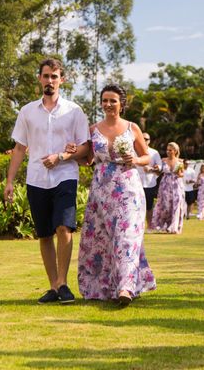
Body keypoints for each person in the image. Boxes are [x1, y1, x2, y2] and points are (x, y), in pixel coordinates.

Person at [4, 58, 89, 305]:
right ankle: (53, 286)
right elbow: (20, 148)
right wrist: (9, 182)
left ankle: (63, 282)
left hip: (65, 176)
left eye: (54, 76)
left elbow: (85, 147)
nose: (50, 81)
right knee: (44, 235)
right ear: (39, 79)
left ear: (62, 80)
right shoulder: (27, 111)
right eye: (46, 76)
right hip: (36, 179)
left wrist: (62, 156)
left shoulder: (74, 111)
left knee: (64, 228)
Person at [76, 84, 156, 306]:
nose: (108, 104)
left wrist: (135, 160)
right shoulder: (93, 130)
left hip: (128, 190)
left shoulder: (132, 128)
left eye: (113, 100)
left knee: (127, 237)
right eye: (105, 100)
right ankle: (103, 286)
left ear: (122, 103)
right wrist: (74, 153)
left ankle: (126, 288)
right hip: (101, 192)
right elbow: (88, 160)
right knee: (102, 240)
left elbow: (147, 157)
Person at [149, 142, 187, 233]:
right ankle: (165, 225)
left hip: (177, 185)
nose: (168, 152)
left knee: (176, 205)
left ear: (175, 151)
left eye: (170, 150)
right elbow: (159, 173)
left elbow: (182, 174)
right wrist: (154, 169)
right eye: (167, 150)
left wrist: (179, 174)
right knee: (166, 206)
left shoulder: (180, 161)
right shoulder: (163, 160)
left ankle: (174, 227)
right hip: (165, 185)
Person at [136, 132, 161, 226]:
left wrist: (151, 168)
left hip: (150, 183)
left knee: (149, 207)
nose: (144, 140)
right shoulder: (134, 151)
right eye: (142, 138)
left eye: (146, 139)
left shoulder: (154, 152)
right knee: (136, 206)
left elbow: (160, 166)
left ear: (149, 141)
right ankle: (137, 227)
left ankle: (150, 226)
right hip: (136, 183)